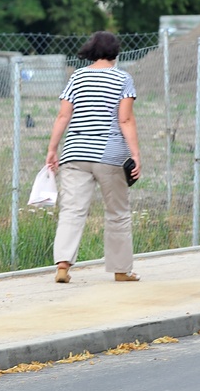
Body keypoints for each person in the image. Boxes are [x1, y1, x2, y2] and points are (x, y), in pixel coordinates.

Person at [45, 31, 141, 284]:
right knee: (117, 212)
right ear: (115, 52)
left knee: (72, 211)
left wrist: (53, 149)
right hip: (110, 154)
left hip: (75, 152)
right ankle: (121, 270)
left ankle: (63, 266)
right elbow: (125, 119)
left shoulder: (77, 77)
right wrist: (135, 154)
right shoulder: (122, 78)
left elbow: (63, 116)